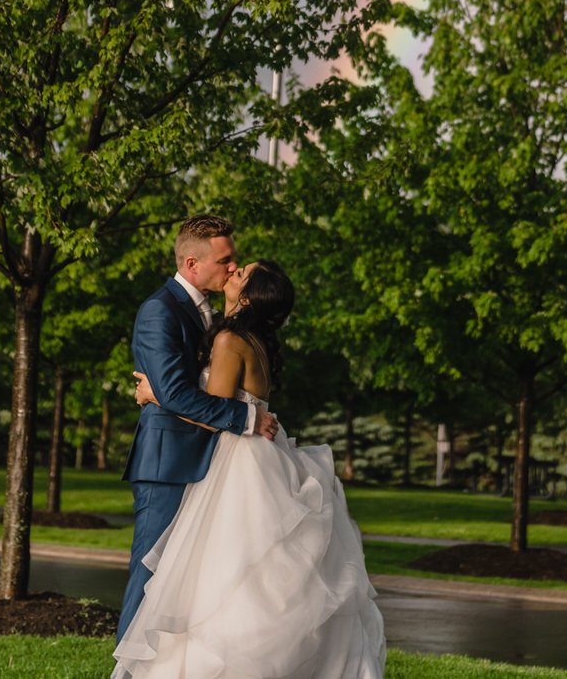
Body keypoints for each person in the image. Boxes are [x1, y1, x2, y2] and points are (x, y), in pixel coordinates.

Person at [112, 257, 386, 679]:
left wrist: (156, 394)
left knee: (225, 568)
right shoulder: (255, 339)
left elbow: (211, 410)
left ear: (249, 296)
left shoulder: (227, 341)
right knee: (258, 569)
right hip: (264, 455)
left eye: (241, 274)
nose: (234, 271)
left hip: (239, 459)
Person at [116, 215, 279, 642]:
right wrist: (246, 418)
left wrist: (158, 393)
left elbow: (175, 389)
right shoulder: (159, 310)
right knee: (152, 573)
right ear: (192, 263)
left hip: (212, 465)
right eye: (225, 260)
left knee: (189, 581)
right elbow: (175, 392)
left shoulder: (222, 317)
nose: (232, 267)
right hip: (169, 463)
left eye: (234, 260)